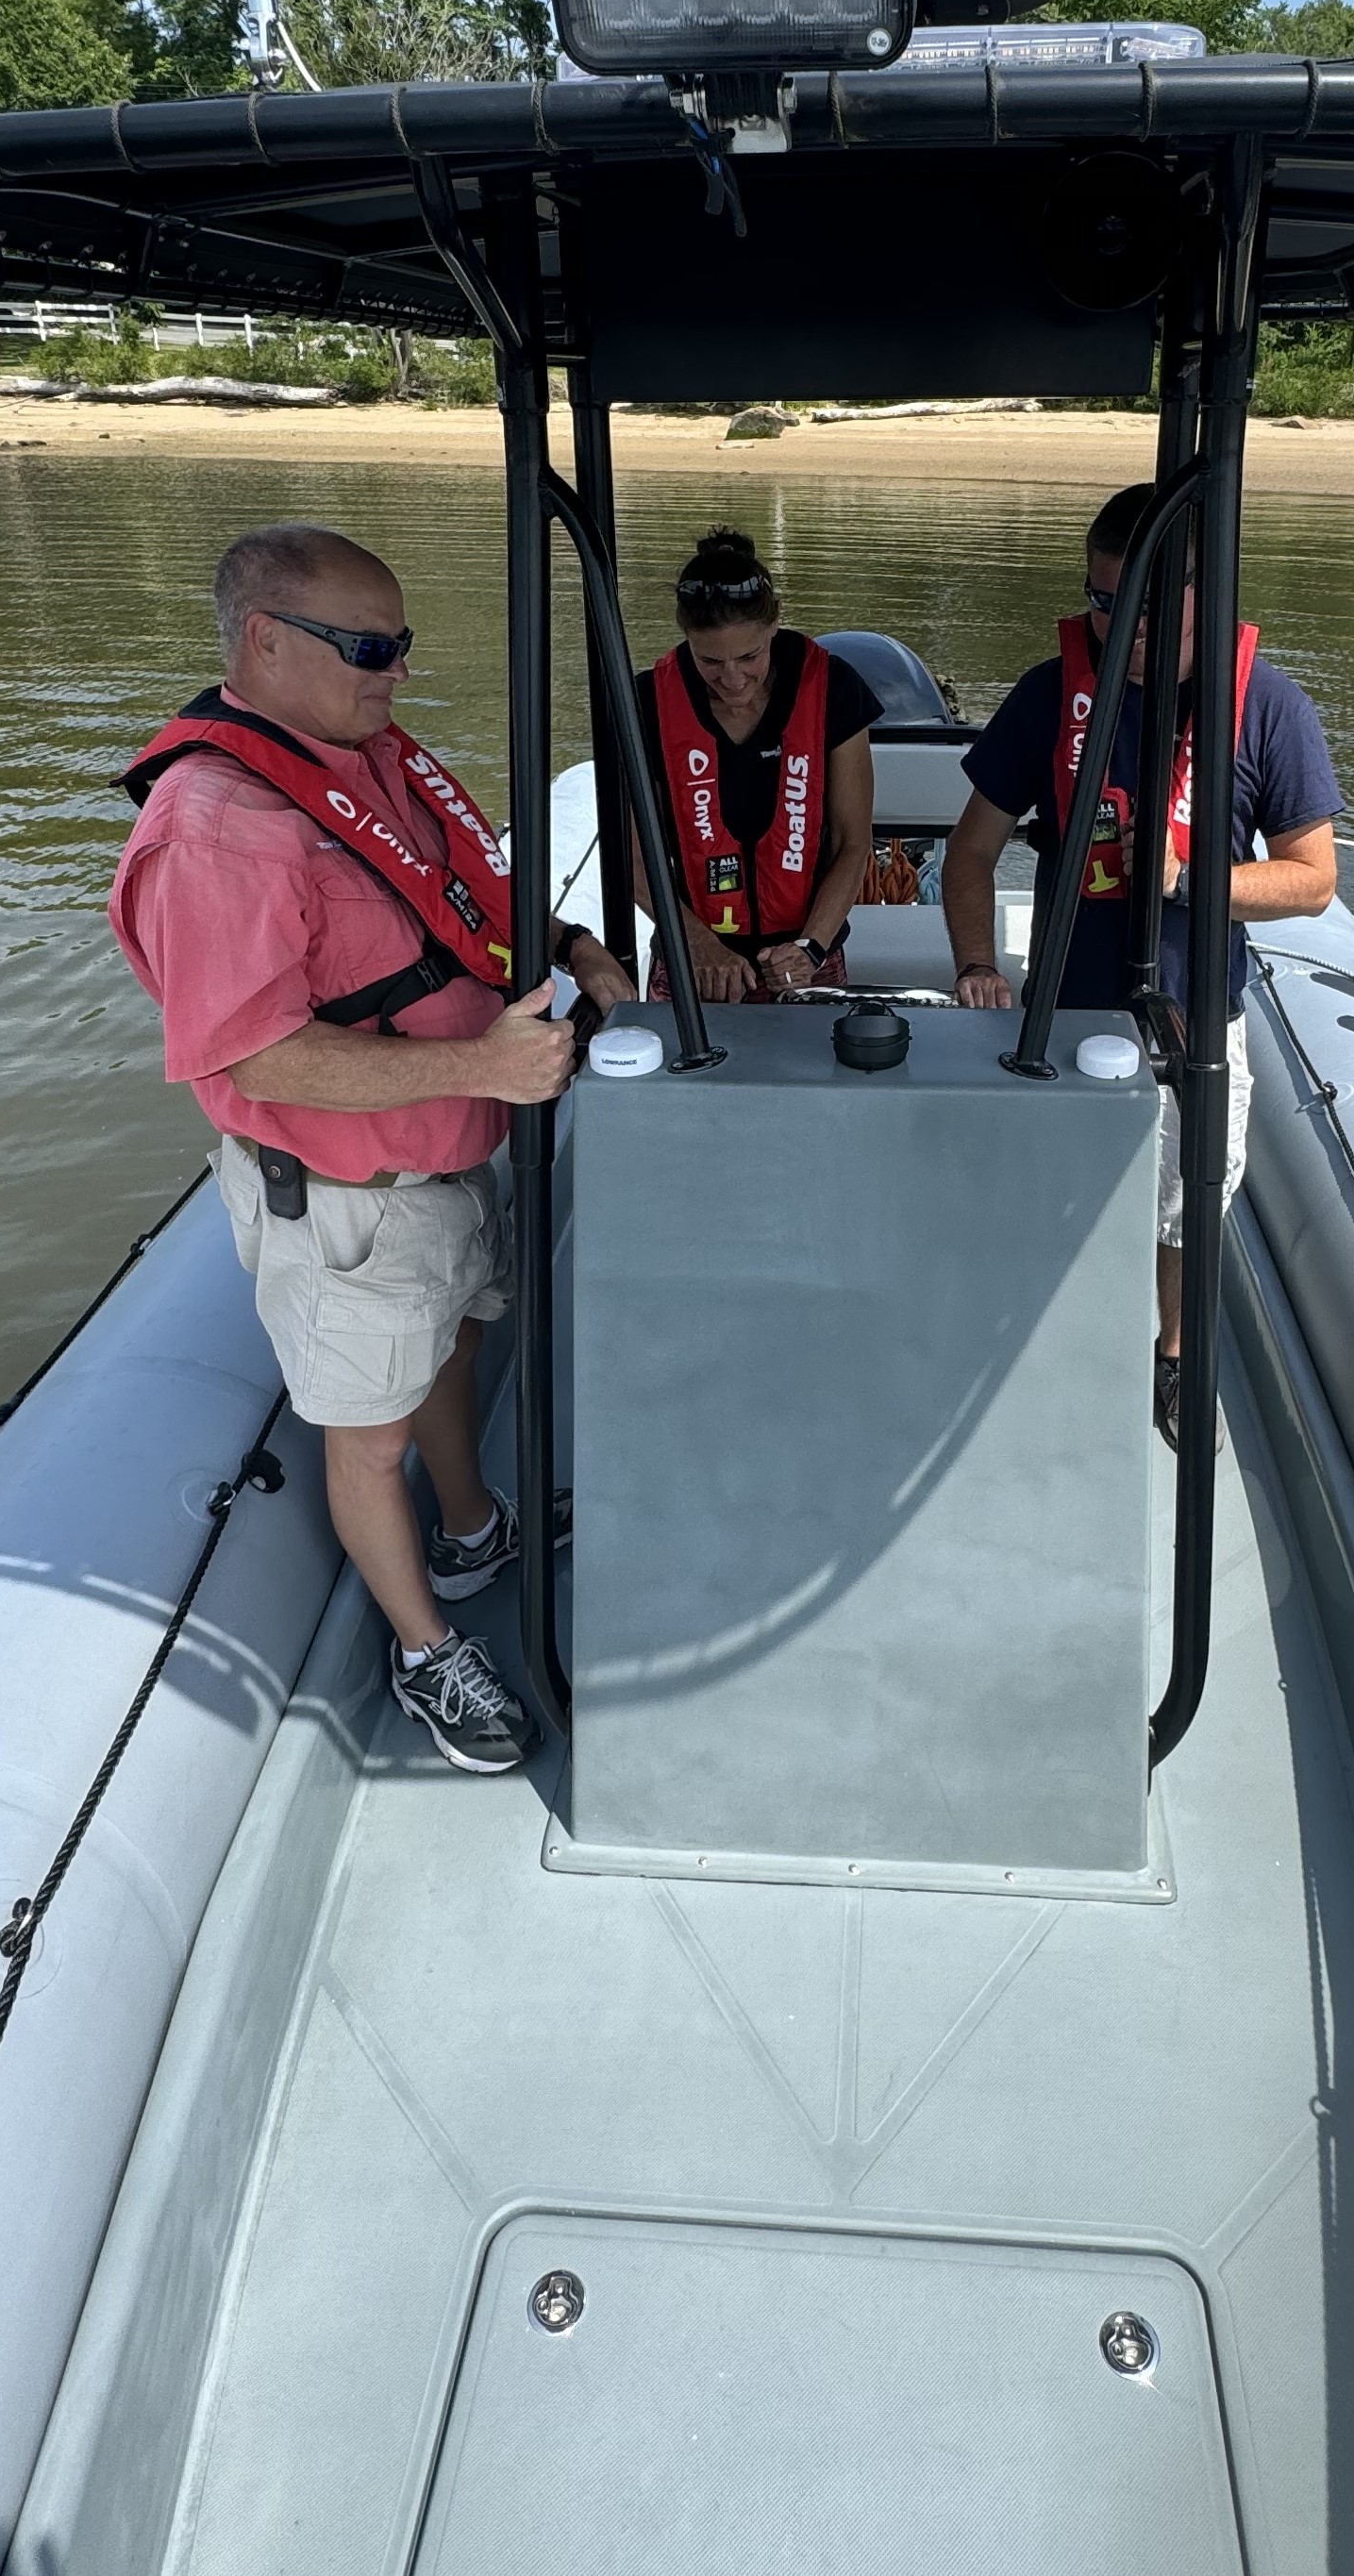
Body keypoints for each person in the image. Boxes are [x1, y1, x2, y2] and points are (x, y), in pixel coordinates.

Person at [109, 525, 637, 1772]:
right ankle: (422, 1646)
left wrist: (570, 948)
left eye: (400, 644)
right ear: (264, 643)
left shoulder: (363, 756)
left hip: (450, 1160)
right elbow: (245, 1054)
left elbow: (459, 899)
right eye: (370, 647)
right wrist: (480, 1065)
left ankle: (469, 1526)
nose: (397, 670)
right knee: (368, 1432)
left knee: (454, 1342)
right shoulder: (221, 822)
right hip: (352, 1193)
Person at [943, 484, 1341, 1447]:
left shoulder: (1268, 708)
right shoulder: (1051, 695)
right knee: (1057, 1193)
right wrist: (974, 966)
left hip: (1197, 1012)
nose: (1110, 624)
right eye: (1099, 601)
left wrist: (1194, 878)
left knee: (1182, 1206)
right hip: (1067, 1012)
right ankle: (1038, 1347)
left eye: (1135, 609)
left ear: (1198, 600)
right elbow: (969, 853)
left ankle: (1171, 1352)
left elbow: (1314, 881)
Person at [630, 527, 879, 1005]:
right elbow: (633, 860)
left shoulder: (835, 689)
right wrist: (700, 943)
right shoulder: (646, 702)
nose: (733, 679)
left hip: (809, 956)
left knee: (810, 1077)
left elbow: (853, 842)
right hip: (692, 957)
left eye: (749, 656)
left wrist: (810, 948)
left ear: (774, 625)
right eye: (709, 662)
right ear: (684, 636)